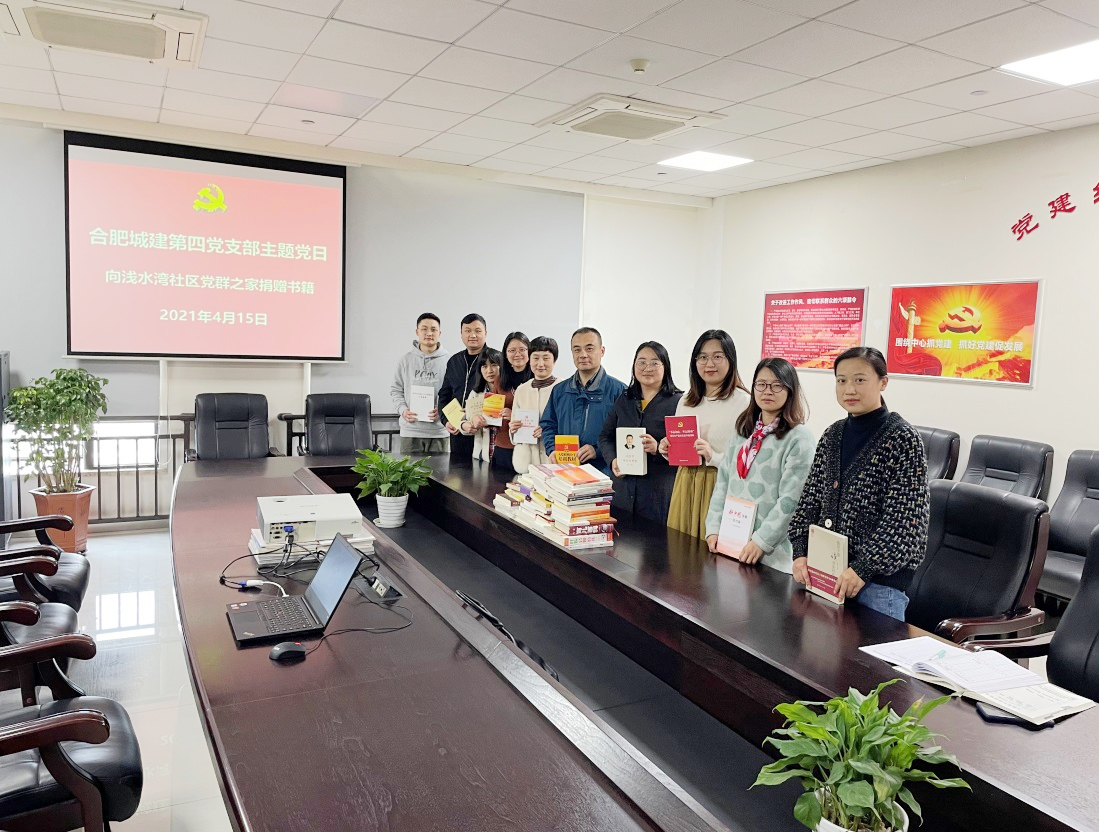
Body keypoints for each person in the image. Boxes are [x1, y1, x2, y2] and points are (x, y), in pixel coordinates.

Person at [788, 346, 930, 622]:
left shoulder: (903, 439)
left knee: (872, 653)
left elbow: (906, 523)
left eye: (860, 380)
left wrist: (863, 568)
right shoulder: (832, 435)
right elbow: (809, 500)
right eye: (841, 380)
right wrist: (800, 551)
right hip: (826, 576)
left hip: (876, 587)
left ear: (883, 382)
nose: (849, 389)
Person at [704, 357, 814, 573]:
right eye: (761, 384)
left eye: (777, 385)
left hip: (771, 556)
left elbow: (791, 501)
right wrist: (713, 528)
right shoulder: (742, 431)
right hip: (730, 545)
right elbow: (723, 484)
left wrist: (761, 542)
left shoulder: (799, 438)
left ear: (790, 389)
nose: (767, 391)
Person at [660, 329, 751, 539]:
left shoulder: (743, 402)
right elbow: (680, 449)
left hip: (719, 484)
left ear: (730, 360)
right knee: (678, 548)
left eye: (717, 356)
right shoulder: (686, 400)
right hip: (685, 483)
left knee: (711, 552)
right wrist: (668, 449)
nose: (709, 364)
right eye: (702, 357)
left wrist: (713, 456)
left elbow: (748, 460)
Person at [598, 341, 681, 524]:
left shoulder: (679, 403)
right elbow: (605, 436)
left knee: (654, 540)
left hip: (658, 493)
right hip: (623, 489)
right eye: (641, 362)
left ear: (665, 367)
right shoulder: (625, 399)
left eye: (654, 363)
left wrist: (658, 448)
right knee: (620, 538)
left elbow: (685, 451)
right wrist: (613, 460)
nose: (647, 368)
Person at [540, 327, 626, 477]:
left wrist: (597, 450)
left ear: (602, 351)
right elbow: (548, 425)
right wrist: (552, 449)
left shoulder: (620, 391)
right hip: (566, 472)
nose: (583, 355)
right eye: (577, 350)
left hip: (604, 475)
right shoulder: (560, 391)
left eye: (589, 348)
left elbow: (626, 435)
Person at [390, 312, 450, 455]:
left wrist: (443, 410)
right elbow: (396, 390)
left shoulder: (450, 361)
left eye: (433, 329)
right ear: (417, 332)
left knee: (439, 470)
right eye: (424, 329)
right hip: (410, 431)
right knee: (410, 470)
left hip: (439, 432)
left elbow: (454, 394)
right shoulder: (405, 361)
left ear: (440, 333)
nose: (429, 333)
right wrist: (403, 410)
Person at [438, 313, 488, 461]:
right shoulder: (454, 361)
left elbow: (499, 396)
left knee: (485, 473)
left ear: (485, 333)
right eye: (467, 331)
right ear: (461, 334)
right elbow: (444, 395)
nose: (473, 335)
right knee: (457, 472)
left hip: (485, 432)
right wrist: (446, 421)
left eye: (477, 330)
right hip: (458, 431)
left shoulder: (494, 360)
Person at [511, 336, 562, 473]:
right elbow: (514, 429)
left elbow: (568, 428)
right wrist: (513, 429)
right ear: (529, 359)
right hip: (526, 462)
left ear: (554, 360)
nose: (540, 364)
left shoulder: (563, 388)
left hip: (552, 460)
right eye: (535, 358)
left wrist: (548, 431)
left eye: (546, 358)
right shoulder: (521, 390)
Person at [459, 348, 515, 469]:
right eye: (484, 366)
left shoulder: (511, 391)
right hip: (482, 454)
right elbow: (464, 421)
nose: (489, 370)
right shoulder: (475, 394)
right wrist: (468, 424)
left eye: (494, 365)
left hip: (506, 453)